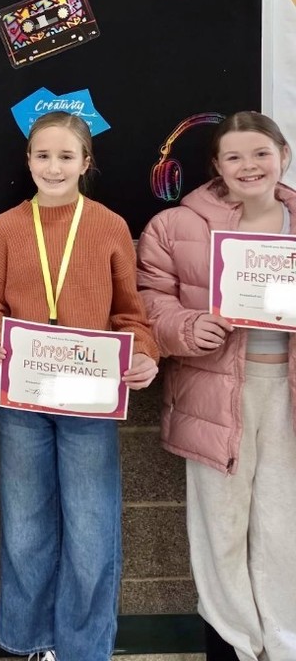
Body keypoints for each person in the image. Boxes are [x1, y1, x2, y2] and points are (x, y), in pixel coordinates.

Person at [0, 111, 159, 661]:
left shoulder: (109, 226)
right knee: (25, 528)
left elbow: (131, 315)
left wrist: (143, 354)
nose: (53, 167)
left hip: (89, 401)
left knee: (91, 529)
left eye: (65, 156)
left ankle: (83, 649)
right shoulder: (7, 226)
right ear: (28, 160)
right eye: (42, 155)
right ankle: (31, 643)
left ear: (85, 162)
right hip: (23, 399)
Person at [137, 110, 296, 661]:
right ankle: (233, 644)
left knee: (283, 523)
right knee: (220, 525)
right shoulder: (175, 225)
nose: (249, 166)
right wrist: (186, 326)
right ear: (217, 166)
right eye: (234, 156)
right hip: (213, 394)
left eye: (261, 153)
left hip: (287, 394)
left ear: (283, 156)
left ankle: (285, 643)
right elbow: (148, 300)